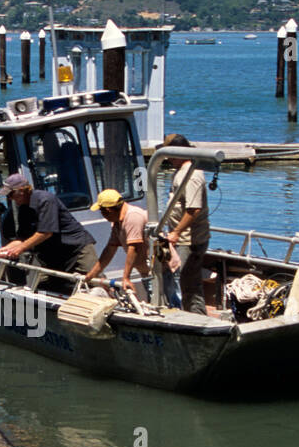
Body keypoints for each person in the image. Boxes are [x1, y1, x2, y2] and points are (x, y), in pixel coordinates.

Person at [0, 173, 99, 276]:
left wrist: (21, 248)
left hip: (76, 248)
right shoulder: (23, 209)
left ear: (21, 191)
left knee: (97, 282)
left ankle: (110, 291)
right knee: (43, 287)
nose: (9, 198)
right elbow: (22, 238)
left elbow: (45, 233)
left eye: (10, 194)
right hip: (53, 254)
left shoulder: (46, 200)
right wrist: (7, 249)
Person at [161, 133, 209, 315]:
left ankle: (197, 318)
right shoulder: (180, 172)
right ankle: (174, 308)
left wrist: (177, 232)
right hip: (176, 236)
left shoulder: (192, 175)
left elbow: (193, 209)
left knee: (189, 282)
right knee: (169, 273)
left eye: (170, 154)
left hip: (189, 239)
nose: (168, 159)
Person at [83, 189, 150, 293]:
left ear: (108, 210)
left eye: (101, 212)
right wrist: (92, 275)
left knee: (170, 302)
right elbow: (110, 249)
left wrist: (126, 278)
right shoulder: (117, 222)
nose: (102, 215)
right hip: (146, 271)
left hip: (160, 271)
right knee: (153, 299)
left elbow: (134, 248)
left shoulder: (133, 217)